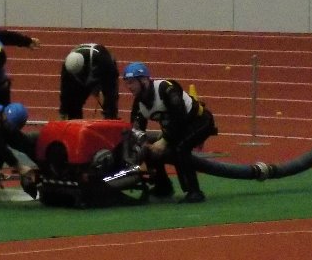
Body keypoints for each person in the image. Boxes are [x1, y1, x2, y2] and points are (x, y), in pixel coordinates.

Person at [123, 62, 217, 203]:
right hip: (177, 128)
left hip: (200, 122)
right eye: (127, 83)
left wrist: (164, 140)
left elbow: (180, 117)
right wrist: (140, 147)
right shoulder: (139, 103)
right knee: (150, 148)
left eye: (132, 82)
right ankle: (163, 188)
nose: (129, 87)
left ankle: (194, 192)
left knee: (181, 148)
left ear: (144, 80)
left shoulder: (166, 89)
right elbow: (136, 129)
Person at [59, 43, 119, 120]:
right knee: (73, 104)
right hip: (80, 78)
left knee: (110, 106)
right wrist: (63, 111)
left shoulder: (103, 60)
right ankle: (75, 122)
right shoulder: (67, 67)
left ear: (84, 65)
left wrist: (110, 113)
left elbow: (111, 90)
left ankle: (110, 120)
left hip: (102, 72)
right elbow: (65, 90)